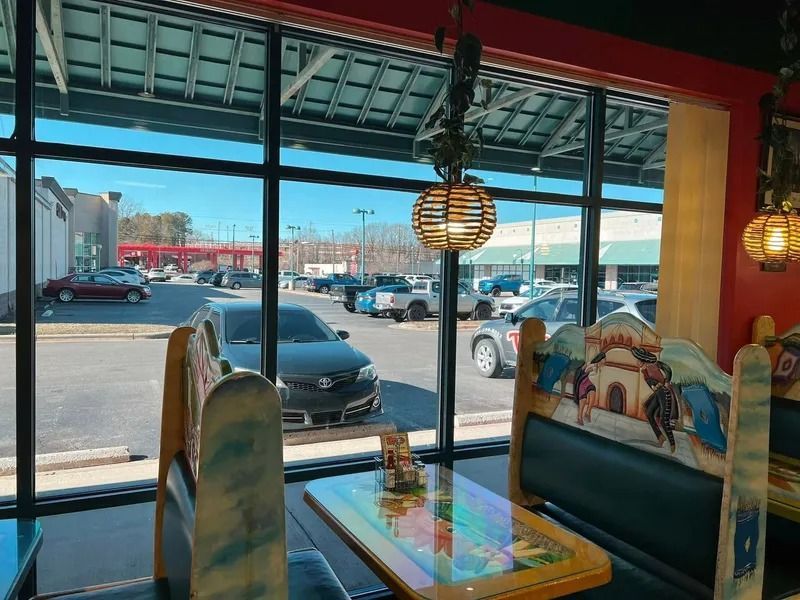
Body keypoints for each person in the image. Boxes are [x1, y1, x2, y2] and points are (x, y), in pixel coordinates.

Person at [631, 346, 678, 453]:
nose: (637, 362)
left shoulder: (654, 365)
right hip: (658, 393)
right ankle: (660, 436)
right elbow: (651, 382)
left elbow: (667, 369)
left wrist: (667, 381)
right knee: (648, 411)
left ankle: (672, 444)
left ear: (642, 360)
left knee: (663, 419)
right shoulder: (644, 370)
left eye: (638, 359)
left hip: (665, 392)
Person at [573, 352, 606, 425]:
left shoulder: (598, 367)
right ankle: (579, 417)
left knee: (593, 393)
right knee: (583, 400)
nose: (605, 361)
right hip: (583, 383)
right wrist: (588, 370)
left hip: (589, 383)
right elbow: (584, 372)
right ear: (600, 359)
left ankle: (588, 412)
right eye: (604, 359)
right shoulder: (592, 366)